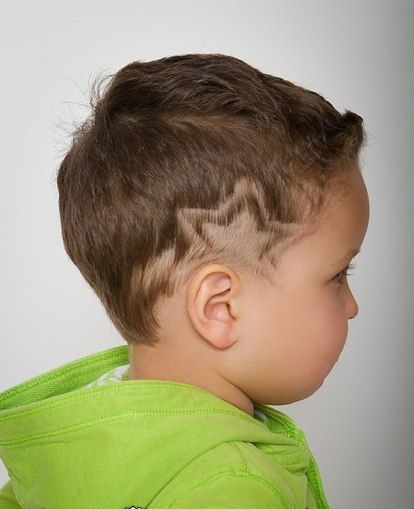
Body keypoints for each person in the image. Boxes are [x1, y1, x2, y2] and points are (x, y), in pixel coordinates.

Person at [0, 53, 370, 509]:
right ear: (221, 308)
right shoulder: (236, 490)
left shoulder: (64, 449)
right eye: (338, 275)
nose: (352, 305)